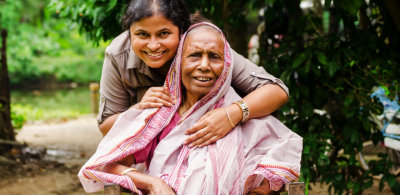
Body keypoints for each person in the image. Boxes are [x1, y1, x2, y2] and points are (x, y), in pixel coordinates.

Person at [79, 22, 302, 194]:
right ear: (179, 64)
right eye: (195, 56)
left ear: (226, 66)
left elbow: (275, 165)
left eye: (214, 57)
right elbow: (108, 165)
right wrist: (153, 183)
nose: (204, 66)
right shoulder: (159, 116)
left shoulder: (244, 117)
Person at [97, 0, 290, 149]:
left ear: (182, 31)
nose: (153, 45)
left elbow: (277, 91)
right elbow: (106, 127)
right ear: (129, 32)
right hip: (154, 155)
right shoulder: (117, 55)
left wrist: (231, 114)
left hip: (222, 144)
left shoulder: (203, 42)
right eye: (142, 35)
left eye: (164, 34)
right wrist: (140, 110)